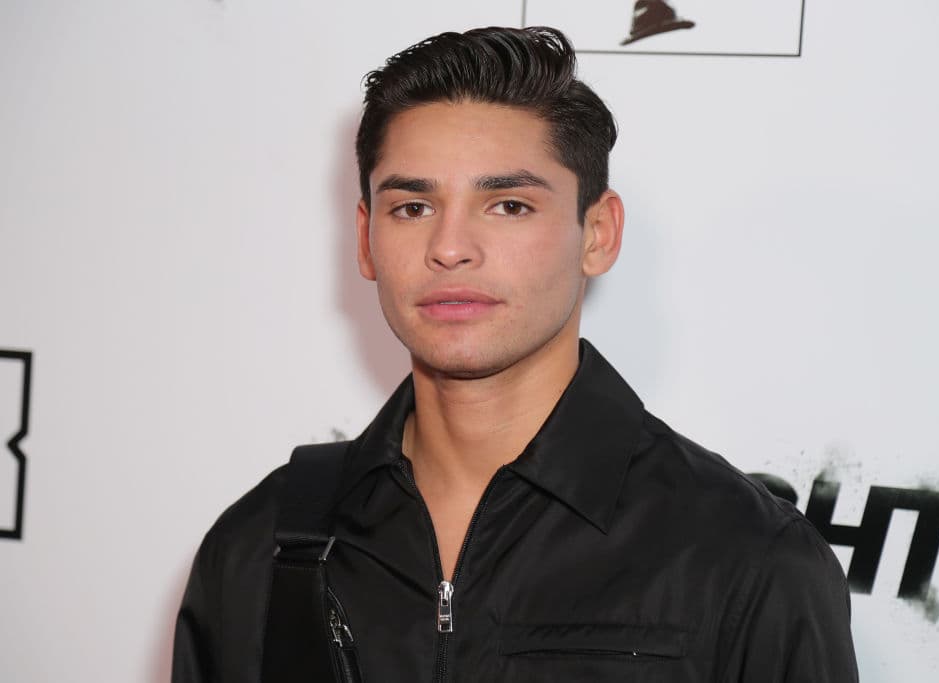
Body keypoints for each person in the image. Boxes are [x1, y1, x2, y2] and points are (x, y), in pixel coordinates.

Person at [172, 25, 858, 682]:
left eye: (508, 205)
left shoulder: (747, 558)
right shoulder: (255, 547)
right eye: (412, 207)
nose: (450, 247)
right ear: (365, 238)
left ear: (598, 233)